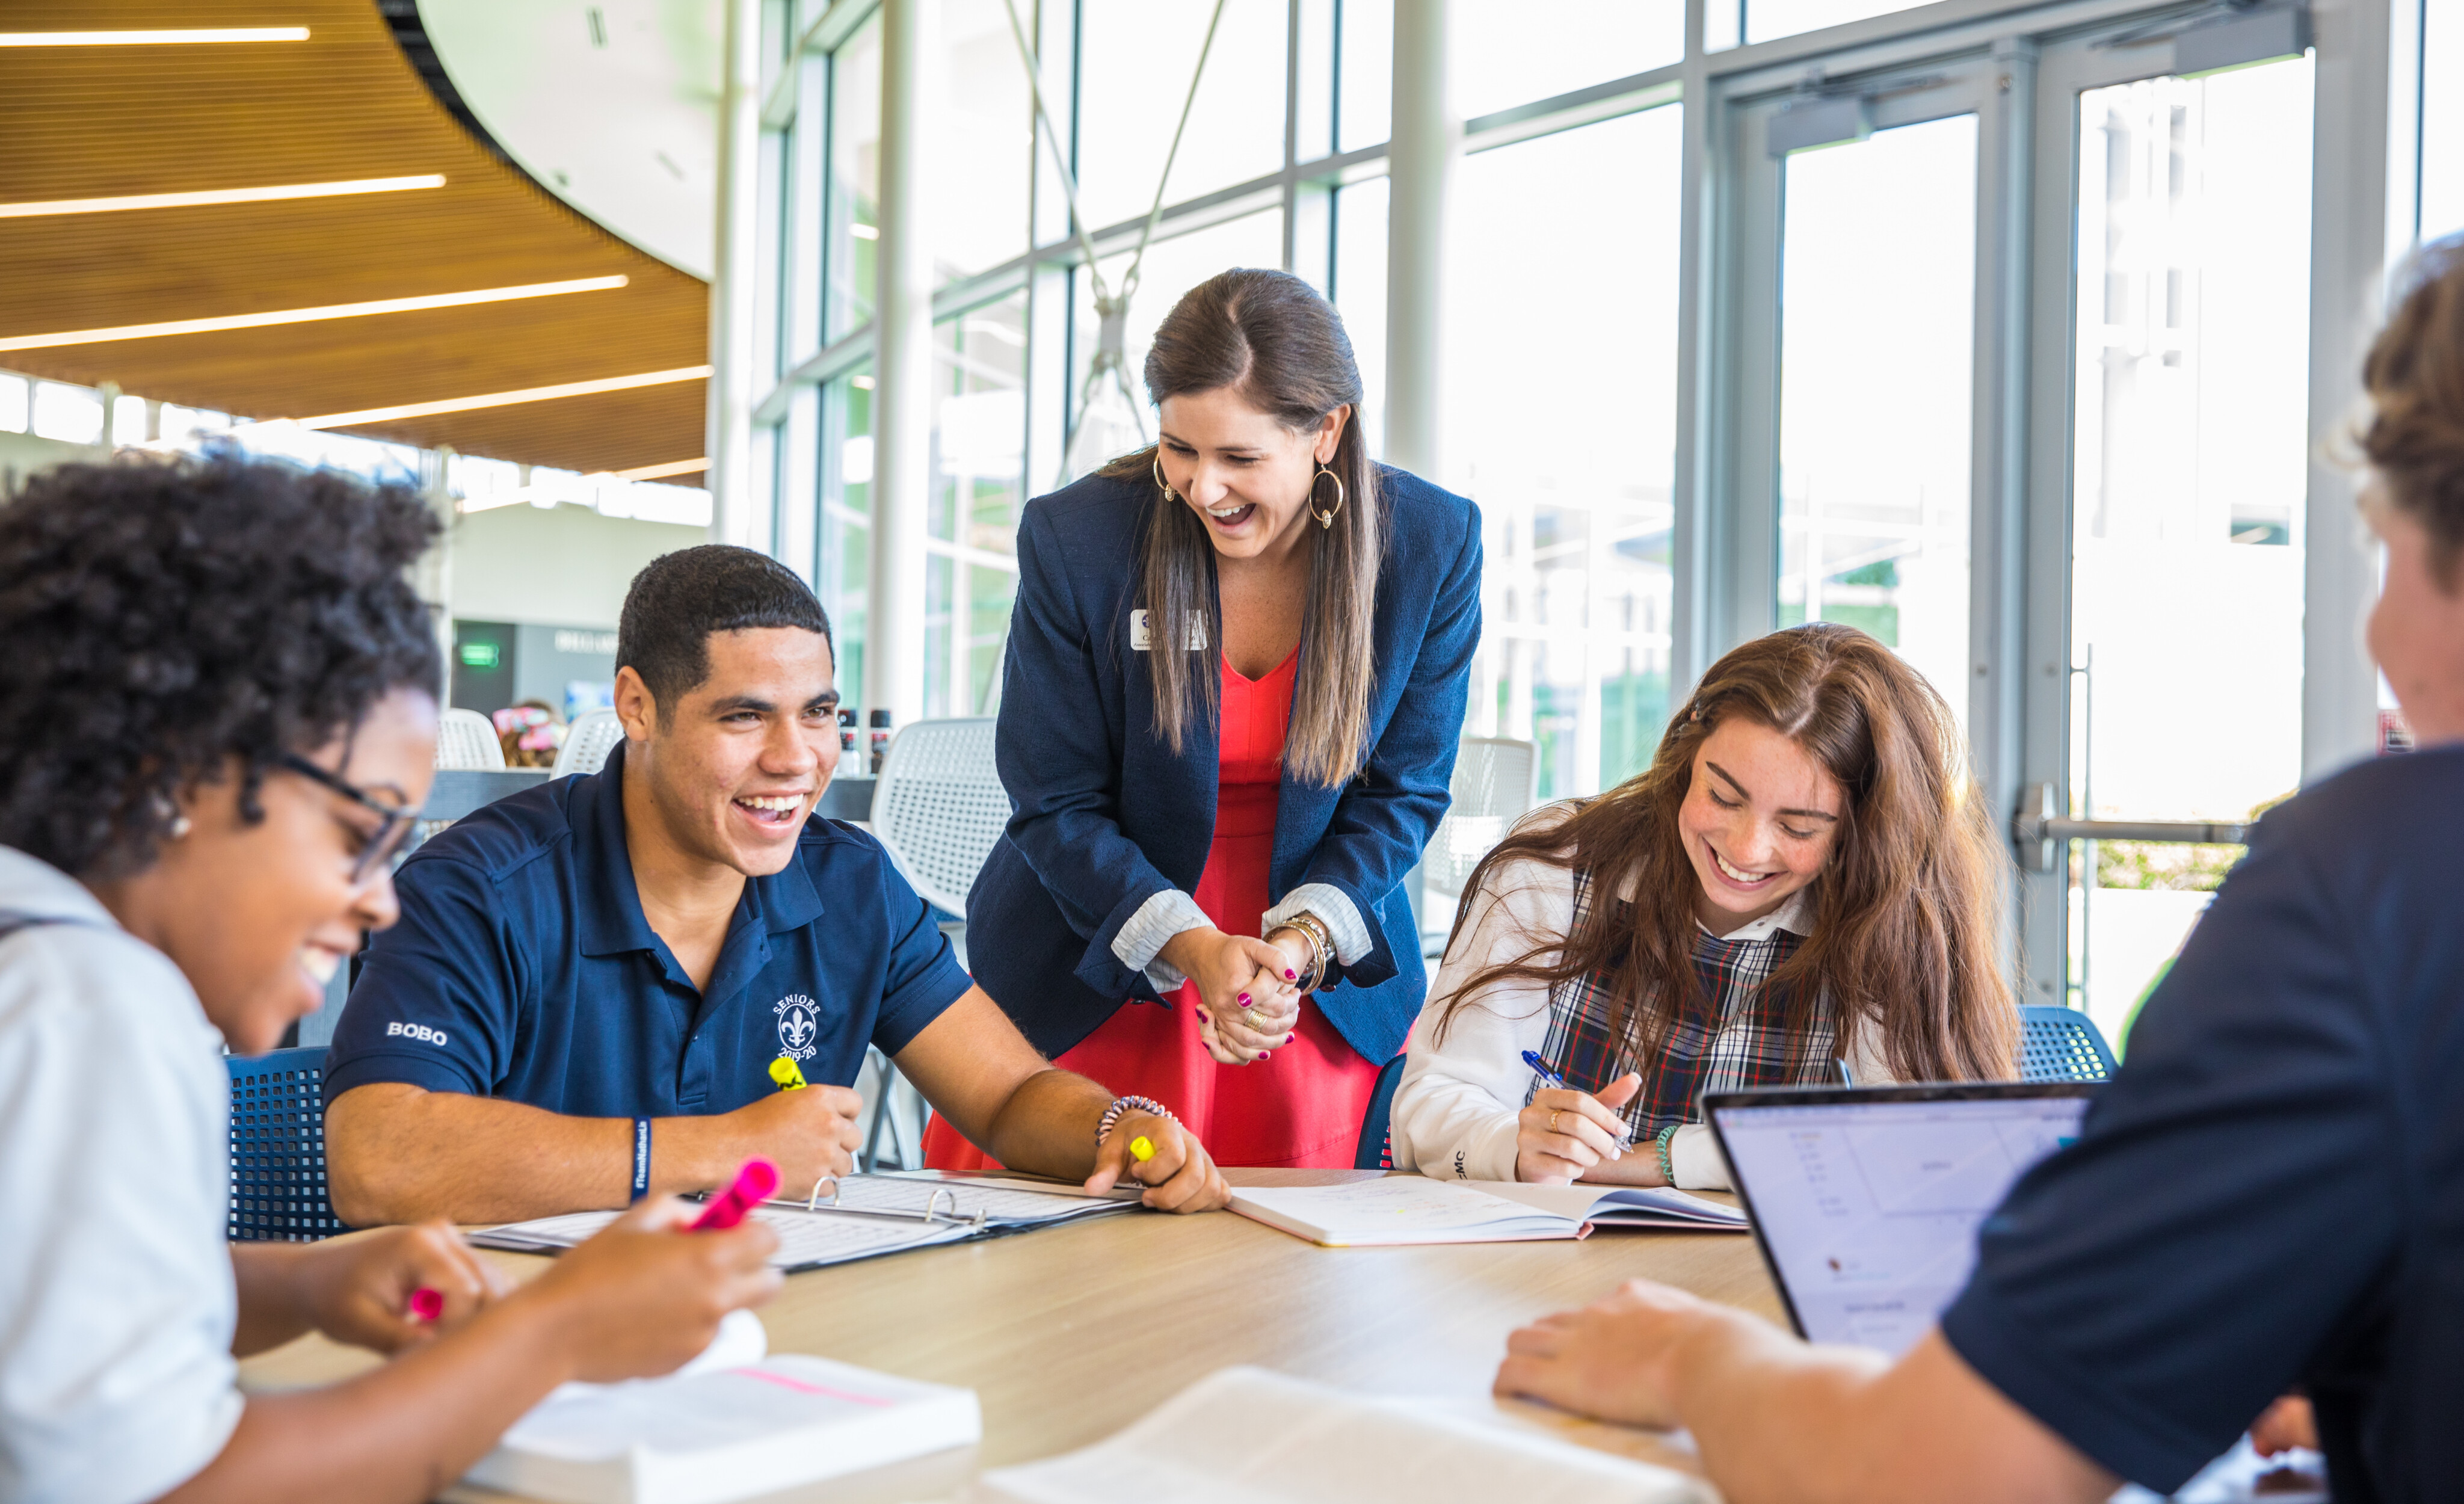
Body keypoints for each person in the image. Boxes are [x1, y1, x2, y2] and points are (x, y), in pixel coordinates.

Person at [1489, 242, 2464, 1502]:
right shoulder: (1552, 872)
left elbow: (1938, 1470)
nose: (2376, 631)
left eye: (2381, 550)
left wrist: (1684, 1355)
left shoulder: (2369, 885)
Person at [0, 454, 778, 1504]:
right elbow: (169, 1488)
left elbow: (56, 1299)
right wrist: (554, 1333)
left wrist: (304, 1279)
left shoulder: (40, 963)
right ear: (174, 778)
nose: (382, 900)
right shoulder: (86, 1004)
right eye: (361, 835)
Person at [323, 544, 1227, 1225]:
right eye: (744, 716)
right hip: (521, 1356)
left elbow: (1006, 1096)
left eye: (820, 714)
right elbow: (377, 1157)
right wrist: (730, 1153)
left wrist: (1120, 1127)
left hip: (768, 1330)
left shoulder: (851, 883)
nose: (796, 760)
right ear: (636, 706)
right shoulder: (479, 889)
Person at [934, 267, 1481, 1172]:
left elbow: (1406, 790)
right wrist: (1192, 948)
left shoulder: (1429, 543)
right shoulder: (1081, 540)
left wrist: (1295, 953)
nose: (1202, 488)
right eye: (1179, 449)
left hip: (1305, 979)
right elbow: (1054, 798)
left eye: (1239, 458)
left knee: (1297, 1290)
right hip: (1099, 955)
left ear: (1329, 431)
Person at [1392, 623, 2015, 1189]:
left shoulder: (1885, 916)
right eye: (1723, 795)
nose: (1745, 848)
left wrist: (1666, 1159)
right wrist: (1511, 1143)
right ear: (1686, 759)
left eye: (1798, 828)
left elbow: (1915, 1146)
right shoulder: (1552, 869)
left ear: (1861, 835)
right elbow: (1431, 1106)